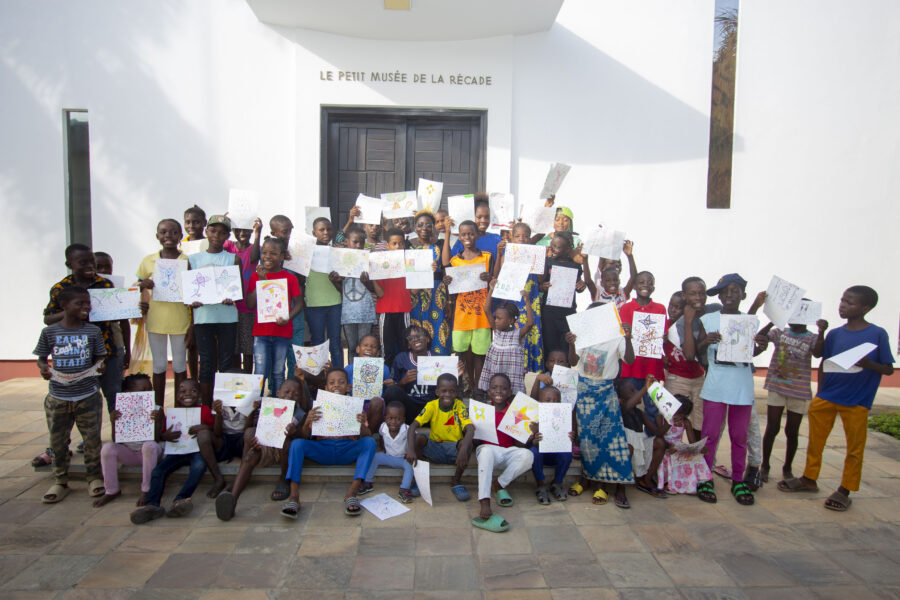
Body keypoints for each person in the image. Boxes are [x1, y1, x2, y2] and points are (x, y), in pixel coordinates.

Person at [778, 286, 894, 512]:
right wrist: (820, 392)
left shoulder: (877, 334)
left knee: (854, 447)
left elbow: (888, 369)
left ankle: (845, 489)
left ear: (865, 308)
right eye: (842, 300)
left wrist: (869, 364)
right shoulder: (835, 334)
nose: (842, 305)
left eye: (849, 302)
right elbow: (824, 363)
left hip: (857, 400)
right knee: (815, 441)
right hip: (828, 396)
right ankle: (809, 478)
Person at [682, 273, 767, 506]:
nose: (730, 295)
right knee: (710, 435)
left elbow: (749, 354)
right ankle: (705, 476)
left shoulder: (750, 322)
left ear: (743, 295)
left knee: (739, 436)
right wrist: (705, 341)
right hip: (716, 386)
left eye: (735, 291)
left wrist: (760, 347)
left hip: (742, 387)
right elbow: (696, 353)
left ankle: (738, 479)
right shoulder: (709, 320)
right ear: (719, 295)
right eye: (726, 291)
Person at [34, 286, 107, 503]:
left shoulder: (92, 331)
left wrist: (99, 367)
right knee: (58, 441)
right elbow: (40, 357)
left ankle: (94, 478)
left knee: (92, 440)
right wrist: (43, 368)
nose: (85, 307)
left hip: (87, 395)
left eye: (87, 303)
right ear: (64, 306)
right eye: (80, 303)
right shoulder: (50, 332)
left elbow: (100, 356)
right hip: (58, 397)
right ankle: (60, 480)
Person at [281, 368, 376, 518]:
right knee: (297, 444)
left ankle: (352, 492)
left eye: (341, 382)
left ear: (348, 387)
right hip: (322, 450)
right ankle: (294, 497)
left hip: (347, 450)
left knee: (370, 442)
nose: (336, 385)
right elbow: (305, 436)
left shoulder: (355, 407)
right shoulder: (318, 406)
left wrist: (362, 424)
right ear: (326, 388)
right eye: (331, 383)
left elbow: (367, 435)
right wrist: (308, 422)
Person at [565, 309, 635, 509]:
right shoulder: (583, 336)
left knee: (608, 438)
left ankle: (604, 484)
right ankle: (588, 479)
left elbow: (629, 359)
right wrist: (571, 344)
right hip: (585, 390)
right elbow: (573, 362)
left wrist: (627, 338)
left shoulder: (617, 337)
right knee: (587, 440)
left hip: (606, 392)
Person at [42, 244, 123, 415]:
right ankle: (89, 439)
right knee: (82, 401)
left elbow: (118, 316)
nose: (90, 266)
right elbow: (48, 319)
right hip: (77, 355)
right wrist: (71, 311)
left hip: (106, 351)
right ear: (69, 264)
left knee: (114, 394)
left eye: (91, 262)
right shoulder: (60, 289)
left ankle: (118, 439)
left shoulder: (105, 284)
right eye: (82, 262)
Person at [215, 377, 308, 521]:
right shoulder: (267, 406)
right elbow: (248, 430)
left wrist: (294, 431)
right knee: (250, 436)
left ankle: (283, 479)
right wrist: (255, 435)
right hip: (264, 447)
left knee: (288, 442)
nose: (290, 396)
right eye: (286, 392)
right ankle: (232, 499)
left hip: (282, 452)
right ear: (277, 392)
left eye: (295, 394)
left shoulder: (299, 413)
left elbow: (302, 437)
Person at [755, 308, 828, 482]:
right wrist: (775, 319)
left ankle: (787, 467)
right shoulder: (780, 332)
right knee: (772, 427)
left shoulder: (811, 338)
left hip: (799, 390)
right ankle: (765, 465)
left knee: (792, 431)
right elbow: (760, 336)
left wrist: (821, 331)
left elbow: (818, 353)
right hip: (777, 386)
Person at [130, 379, 213, 523]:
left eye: (193, 391)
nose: (187, 394)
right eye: (182, 391)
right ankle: (152, 505)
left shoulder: (204, 410)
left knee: (199, 467)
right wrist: (165, 436)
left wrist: (204, 427)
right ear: (176, 396)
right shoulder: (173, 414)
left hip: (196, 450)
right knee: (158, 471)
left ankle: (180, 500)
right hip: (176, 451)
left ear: (199, 394)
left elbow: (214, 430)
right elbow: (161, 435)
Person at [188, 215, 241, 404]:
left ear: (227, 235)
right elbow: (189, 290)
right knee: (207, 363)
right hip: (203, 317)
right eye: (213, 231)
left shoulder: (233, 258)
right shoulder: (193, 259)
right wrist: (192, 301)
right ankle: (207, 404)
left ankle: (224, 405)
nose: (217, 235)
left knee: (226, 362)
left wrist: (233, 297)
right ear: (206, 232)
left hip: (227, 317)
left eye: (222, 232)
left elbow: (238, 290)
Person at [136, 219, 191, 407]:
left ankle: (180, 407)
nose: (168, 236)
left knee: (179, 366)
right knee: (159, 365)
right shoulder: (148, 261)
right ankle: (158, 407)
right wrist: (142, 284)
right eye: (163, 232)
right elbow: (136, 286)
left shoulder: (186, 261)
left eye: (173, 232)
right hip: (156, 320)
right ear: (157, 236)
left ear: (180, 236)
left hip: (179, 320)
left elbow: (192, 289)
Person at [472, 373, 535, 533]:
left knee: (528, 456)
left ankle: (499, 484)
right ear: (488, 391)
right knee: (485, 452)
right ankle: (484, 502)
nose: (499, 391)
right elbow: (476, 441)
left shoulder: (516, 413)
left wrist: (529, 433)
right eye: (494, 388)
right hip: (488, 451)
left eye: (503, 388)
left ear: (510, 392)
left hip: (508, 451)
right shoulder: (483, 411)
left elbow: (520, 445)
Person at [93, 373, 163, 507]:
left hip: (151, 454)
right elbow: (116, 439)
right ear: (128, 393)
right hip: (130, 453)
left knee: (150, 446)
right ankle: (111, 490)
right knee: (107, 448)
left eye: (150, 390)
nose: (148, 394)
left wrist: (156, 421)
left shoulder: (156, 409)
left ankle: (146, 489)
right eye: (143, 391)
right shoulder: (121, 410)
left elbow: (157, 439)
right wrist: (114, 422)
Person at [246, 237, 303, 396]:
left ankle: (279, 406)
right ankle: (256, 406)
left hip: (282, 333)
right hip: (261, 333)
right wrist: (262, 282)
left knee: (278, 371)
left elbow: (299, 304)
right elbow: (250, 304)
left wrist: (288, 317)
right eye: (264, 253)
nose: (267, 257)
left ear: (282, 256)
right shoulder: (255, 276)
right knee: (260, 372)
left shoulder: (290, 278)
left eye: (273, 253)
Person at [406, 373, 475, 501]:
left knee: (467, 443)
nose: (447, 395)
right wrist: (410, 449)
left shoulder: (459, 405)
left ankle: (456, 481)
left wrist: (463, 450)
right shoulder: (432, 405)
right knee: (418, 438)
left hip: (454, 451)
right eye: (444, 391)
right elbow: (412, 427)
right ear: (437, 392)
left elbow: (470, 429)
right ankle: (421, 478)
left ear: (456, 392)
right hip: (435, 448)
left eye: (452, 391)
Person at [442, 218, 492, 389]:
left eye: (471, 233)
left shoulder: (486, 257)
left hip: (481, 316)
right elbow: (444, 263)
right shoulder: (456, 260)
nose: (467, 237)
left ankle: (478, 387)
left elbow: (494, 281)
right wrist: (448, 232)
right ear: (460, 237)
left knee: (480, 355)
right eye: (463, 234)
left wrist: (489, 277)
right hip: (461, 315)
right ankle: (463, 386)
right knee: (459, 352)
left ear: (477, 234)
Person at [673, 276, 722, 439]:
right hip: (696, 374)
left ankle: (699, 458)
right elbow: (689, 355)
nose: (698, 298)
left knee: (702, 422)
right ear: (684, 296)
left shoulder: (716, 309)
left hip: (714, 374)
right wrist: (688, 321)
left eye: (701, 293)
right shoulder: (681, 322)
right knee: (678, 421)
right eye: (693, 294)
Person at [617, 271, 668, 428]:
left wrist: (662, 336)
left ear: (653, 287)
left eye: (649, 282)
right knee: (632, 409)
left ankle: (652, 445)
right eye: (641, 282)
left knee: (652, 408)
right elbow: (623, 334)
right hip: (631, 367)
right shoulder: (626, 308)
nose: (646, 285)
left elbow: (663, 334)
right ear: (634, 286)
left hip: (652, 367)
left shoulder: (660, 308)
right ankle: (635, 445)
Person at [494, 222, 544, 373]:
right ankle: (514, 370)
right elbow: (498, 275)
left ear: (530, 238)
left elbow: (540, 279)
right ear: (511, 238)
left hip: (531, 300)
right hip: (513, 301)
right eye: (517, 236)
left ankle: (533, 372)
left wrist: (540, 260)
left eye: (525, 236)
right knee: (516, 332)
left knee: (532, 330)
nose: (521, 239)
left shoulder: (535, 254)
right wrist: (500, 255)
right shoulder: (507, 254)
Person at [662, 291, 706, 441]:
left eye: (678, 307)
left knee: (698, 420)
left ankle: (696, 454)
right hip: (676, 378)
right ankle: (671, 456)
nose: (673, 310)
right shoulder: (663, 327)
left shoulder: (694, 326)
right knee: (672, 418)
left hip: (697, 378)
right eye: (671, 306)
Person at [269, 214, 307, 379]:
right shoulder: (269, 256)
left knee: (295, 353)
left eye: (291, 231)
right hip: (274, 315)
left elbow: (302, 283)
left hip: (295, 312)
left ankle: (294, 387)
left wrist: (297, 263)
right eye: (285, 232)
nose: (289, 235)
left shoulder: (297, 252)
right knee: (276, 358)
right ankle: (275, 390)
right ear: (274, 233)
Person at [477, 287, 534, 394]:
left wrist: (527, 301)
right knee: (495, 393)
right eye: (495, 318)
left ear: (511, 320)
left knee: (512, 397)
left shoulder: (518, 334)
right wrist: (491, 290)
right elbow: (486, 310)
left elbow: (530, 323)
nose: (496, 321)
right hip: (496, 375)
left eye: (499, 318)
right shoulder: (496, 331)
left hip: (512, 376)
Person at [409, 211, 451, 355]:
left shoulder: (439, 245)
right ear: (415, 227)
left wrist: (448, 233)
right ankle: (420, 367)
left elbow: (446, 264)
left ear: (433, 227)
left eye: (428, 225)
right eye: (420, 225)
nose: (424, 228)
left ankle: (441, 369)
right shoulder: (409, 247)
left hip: (437, 293)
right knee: (418, 329)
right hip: (417, 294)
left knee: (439, 326)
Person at [539, 231, 588, 356]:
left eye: (557, 247)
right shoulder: (548, 261)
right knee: (548, 344)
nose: (552, 249)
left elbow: (578, 286)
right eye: (552, 245)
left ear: (567, 250)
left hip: (568, 313)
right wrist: (542, 287)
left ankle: (563, 372)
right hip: (549, 312)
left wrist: (581, 285)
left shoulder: (575, 265)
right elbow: (540, 283)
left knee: (566, 345)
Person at [617, 376, 666, 498]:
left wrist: (670, 421)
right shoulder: (622, 409)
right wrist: (645, 388)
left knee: (660, 442)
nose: (636, 393)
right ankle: (621, 487)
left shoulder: (640, 413)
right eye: (632, 391)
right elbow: (628, 405)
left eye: (636, 390)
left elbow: (657, 432)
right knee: (629, 448)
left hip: (641, 447)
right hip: (629, 449)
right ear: (621, 399)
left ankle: (646, 479)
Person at [224, 216, 262, 373]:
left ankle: (248, 377)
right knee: (233, 347)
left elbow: (254, 258)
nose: (242, 233)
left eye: (246, 229)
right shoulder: (228, 246)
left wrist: (258, 233)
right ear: (232, 231)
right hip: (230, 305)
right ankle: (235, 377)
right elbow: (216, 242)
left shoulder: (255, 248)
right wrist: (224, 222)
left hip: (248, 306)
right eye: (237, 229)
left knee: (247, 348)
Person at [358, 401, 416, 503]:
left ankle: (404, 489)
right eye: (390, 418)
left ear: (403, 420)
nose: (393, 422)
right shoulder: (383, 427)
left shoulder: (407, 429)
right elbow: (381, 435)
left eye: (398, 419)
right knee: (375, 457)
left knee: (409, 466)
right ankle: (368, 482)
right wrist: (382, 447)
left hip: (403, 459)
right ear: (385, 418)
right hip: (389, 457)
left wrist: (411, 451)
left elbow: (415, 438)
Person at [305, 217, 344, 368]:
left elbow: (343, 278)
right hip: (314, 304)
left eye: (329, 229)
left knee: (335, 342)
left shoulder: (336, 252)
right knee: (318, 342)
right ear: (314, 232)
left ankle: (339, 376)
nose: (326, 232)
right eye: (321, 230)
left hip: (335, 302)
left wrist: (337, 279)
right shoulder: (306, 253)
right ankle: (318, 379)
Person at [655, 396, 712, 494]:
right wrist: (670, 422)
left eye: (682, 415)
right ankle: (668, 483)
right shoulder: (661, 417)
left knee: (695, 456)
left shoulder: (685, 422)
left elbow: (692, 442)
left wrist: (699, 448)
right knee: (669, 457)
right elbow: (659, 434)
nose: (679, 416)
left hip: (678, 447)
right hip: (665, 447)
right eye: (677, 412)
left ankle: (692, 482)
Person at [372, 228, 412, 366]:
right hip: (386, 312)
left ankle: (404, 380)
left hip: (403, 310)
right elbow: (380, 293)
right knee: (386, 349)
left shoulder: (409, 263)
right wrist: (374, 276)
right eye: (394, 244)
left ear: (405, 245)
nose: (398, 247)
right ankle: (387, 380)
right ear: (387, 246)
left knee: (405, 347)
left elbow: (414, 291)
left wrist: (424, 272)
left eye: (401, 244)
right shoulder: (382, 264)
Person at [94, 251, 131, 398]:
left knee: (115, 393)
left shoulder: (116, 288)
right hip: (92, 350)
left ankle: (116, 421)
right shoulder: (83, 291)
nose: (103, 271)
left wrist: (128, 350)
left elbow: (124, 322)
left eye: (107, 267)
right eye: (99, 267)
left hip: (115, 347)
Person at [384, 325, 440, 423]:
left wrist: (457, 375)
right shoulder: (401, 359)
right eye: (411, 338)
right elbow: (395, 388)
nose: (416, 340)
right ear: (408, 344)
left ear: (427, 339)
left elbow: (447, 386)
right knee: (392, 391)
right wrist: (403, 382)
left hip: (432, 407)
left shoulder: (438, 358)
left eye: (420, 336)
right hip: (410, 407)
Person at [529, 385, 575, 504]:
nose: (552, 403)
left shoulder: (564, 417)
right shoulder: (533, 418)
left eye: (556, 401)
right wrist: (534, 439)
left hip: (555, 454)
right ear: (539, 402)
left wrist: (570, 438)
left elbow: (568, 439)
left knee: (567, 453)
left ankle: (557, 482)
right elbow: (527, 443)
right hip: (541, 456)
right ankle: (540, 484)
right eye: (547, 400)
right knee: (533, 452)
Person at [339, 226, 377, 364]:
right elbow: (340, 288)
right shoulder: (340, 260)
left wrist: (366, 282)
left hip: (365, 312)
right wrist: (335, 280)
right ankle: (351, 378)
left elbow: (375, 288)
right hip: (348, 313)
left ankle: (364, 379)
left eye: (361, 242)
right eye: (355, 242)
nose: (358, 245)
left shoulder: (370, 260)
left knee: (365, 348)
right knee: (351, 347)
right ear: (346, 242)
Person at [343, 334, 395, 432]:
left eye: (373, 347)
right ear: (358, 349)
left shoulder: (384, 369)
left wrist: (391, 386)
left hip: (374, 408)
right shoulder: (349, 369)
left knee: (377, 402)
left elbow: (386, 394)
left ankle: (368, 433)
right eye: (365, 345)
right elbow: (341, 392)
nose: (369, 349)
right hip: (355, 406)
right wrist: (345, 389)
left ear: (378, 353)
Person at [182, 204, 208, 380]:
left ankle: (209, 379)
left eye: (196, 222)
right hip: (186, 299)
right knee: (191, 344)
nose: (192, 226)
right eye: (188, 222)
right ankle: (193, 379)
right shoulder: (180, 245)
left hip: (206, 297)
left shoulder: (208, 243)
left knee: (207, 343)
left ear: (204, 223)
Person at [450, 194, 502, 268]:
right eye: (479, 217)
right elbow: (450, 261)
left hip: (491, 278)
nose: (483, 221)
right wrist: (448, 230)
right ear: (473, 216)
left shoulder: (497, 239)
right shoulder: (464, 240)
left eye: (487, 217)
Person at [589, 240, 637, 306]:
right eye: (612, 263)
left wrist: (630, 256)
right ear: (602, 282)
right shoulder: (598, 291)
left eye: (619, 263)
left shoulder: (622, 292)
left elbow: (634, 277)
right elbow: (589, 280)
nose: (616, 265)